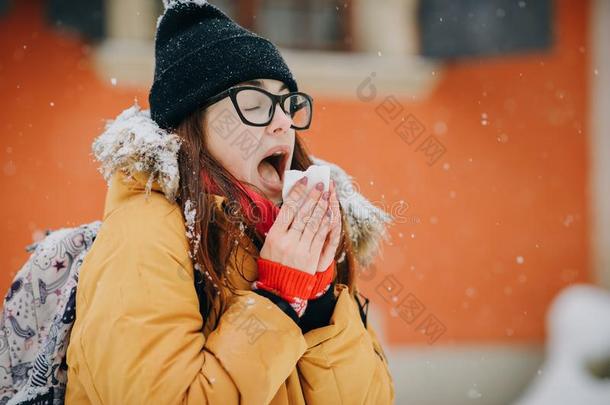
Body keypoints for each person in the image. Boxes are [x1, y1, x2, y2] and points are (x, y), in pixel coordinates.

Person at [65, 1, 395, 403]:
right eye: (254, 106)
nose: (283, 123)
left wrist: (318, 301)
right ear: (193, 130)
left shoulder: (304, 241)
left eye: (288, 105)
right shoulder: (142, 237)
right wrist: (277, 298)